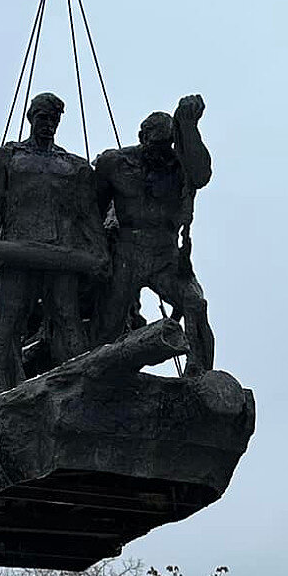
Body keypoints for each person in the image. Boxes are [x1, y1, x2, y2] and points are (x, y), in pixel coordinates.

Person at [0, 92, 107, 390]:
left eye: (53, 119)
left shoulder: (74, 167)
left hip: (61, 255)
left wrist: (99, 252)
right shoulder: (8, 157)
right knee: (7, 317)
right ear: (30, 117)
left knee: (68, 318)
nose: (48, 124)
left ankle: (83, 389)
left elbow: (87, 216)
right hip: (16, 254)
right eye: (43, 118)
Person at [93, 95, 215, 374]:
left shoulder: (182, 166)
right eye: (154, 142)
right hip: (126, 251)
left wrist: (188, 125)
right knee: (109, 321)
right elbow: (93, 211)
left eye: (166, 143)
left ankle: (199, 373)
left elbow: (202, 174)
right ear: (141, 136)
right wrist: (97, 248)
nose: (159, 151)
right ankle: (96, 372)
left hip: (166, 254)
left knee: (195, 303)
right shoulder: (115, 163)